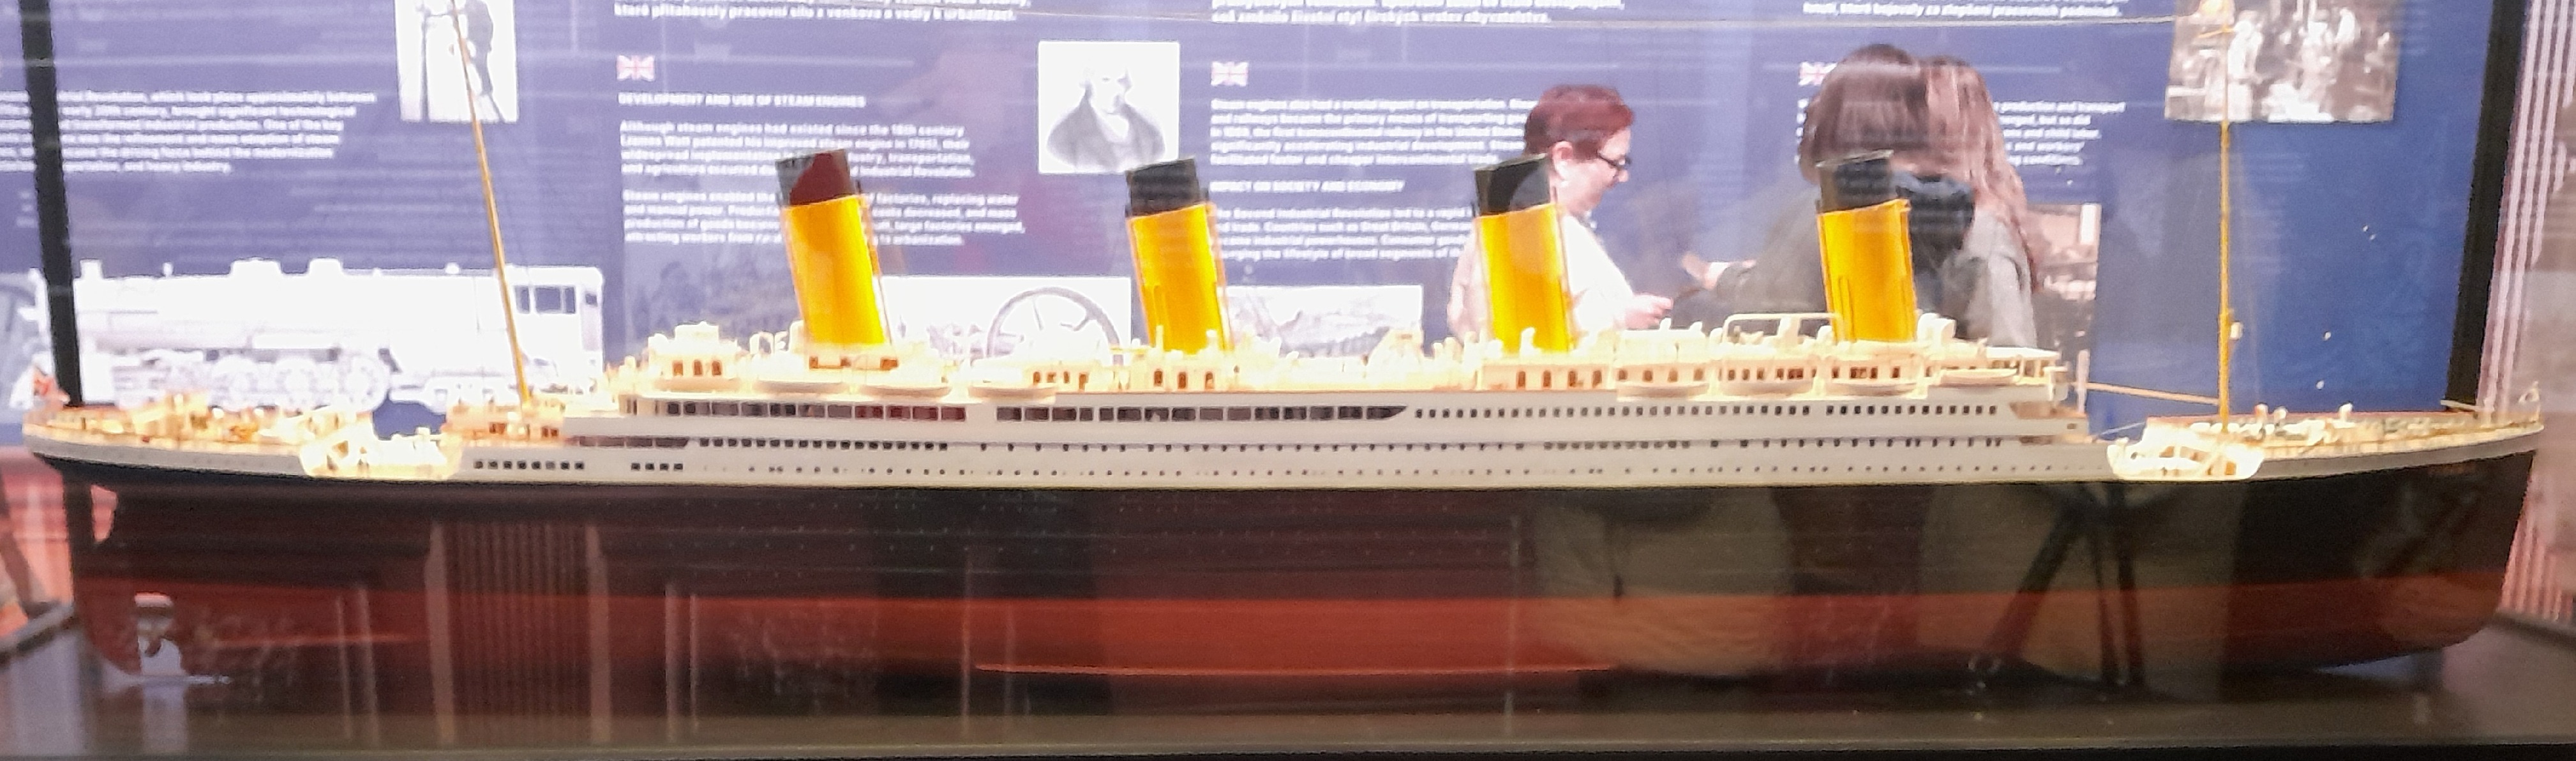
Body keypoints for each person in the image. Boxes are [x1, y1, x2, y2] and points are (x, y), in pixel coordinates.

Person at [1730, 45, 2037, 347]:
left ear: (1832, 120)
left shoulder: (1816, 214)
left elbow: (1762, 325)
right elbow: (2011, 353)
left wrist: (1721, 284)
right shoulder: (1976, 222)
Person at [1447, 84, 1670, 341]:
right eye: (1615, 163)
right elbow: (1524, 339)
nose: (1623, 176)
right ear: (1563, 158)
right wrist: (1620, 317)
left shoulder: (1551, 222)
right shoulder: (1524, 231)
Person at [1045, 67, 1167, 174]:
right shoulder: (1063, 135)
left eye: (1120, 80)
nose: (1115, 89)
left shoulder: (1148, 128)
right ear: (1089, 83)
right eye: (1105, 80)